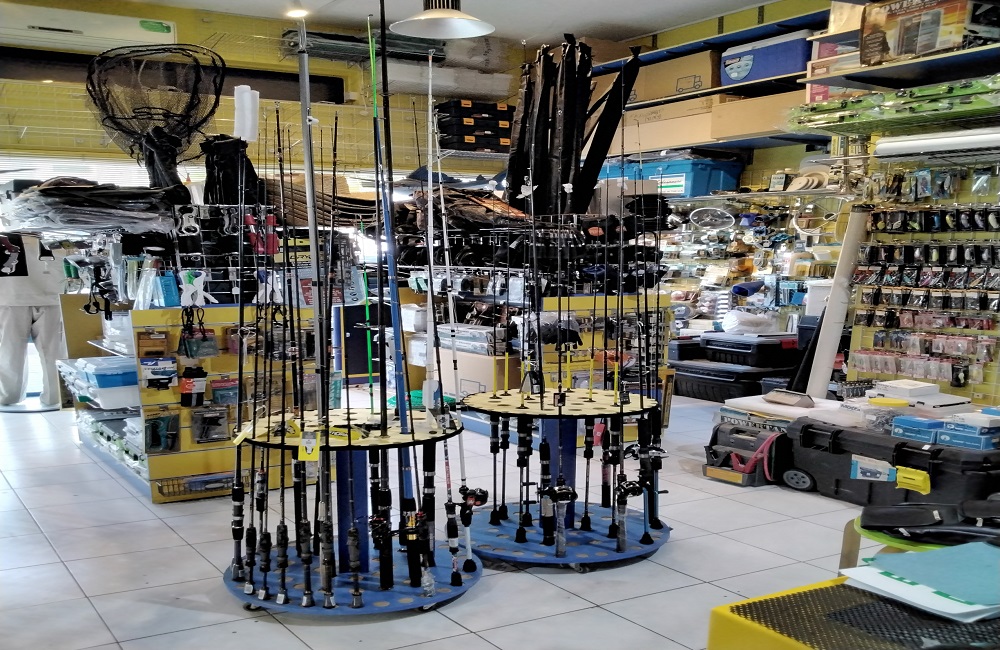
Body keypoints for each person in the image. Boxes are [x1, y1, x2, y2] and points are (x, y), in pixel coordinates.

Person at [0, 234, 67, 406]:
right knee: (53, 350)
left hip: (12, 293)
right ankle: (55, 397)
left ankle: (9, 396)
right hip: (49, 288)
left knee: (9, 350)